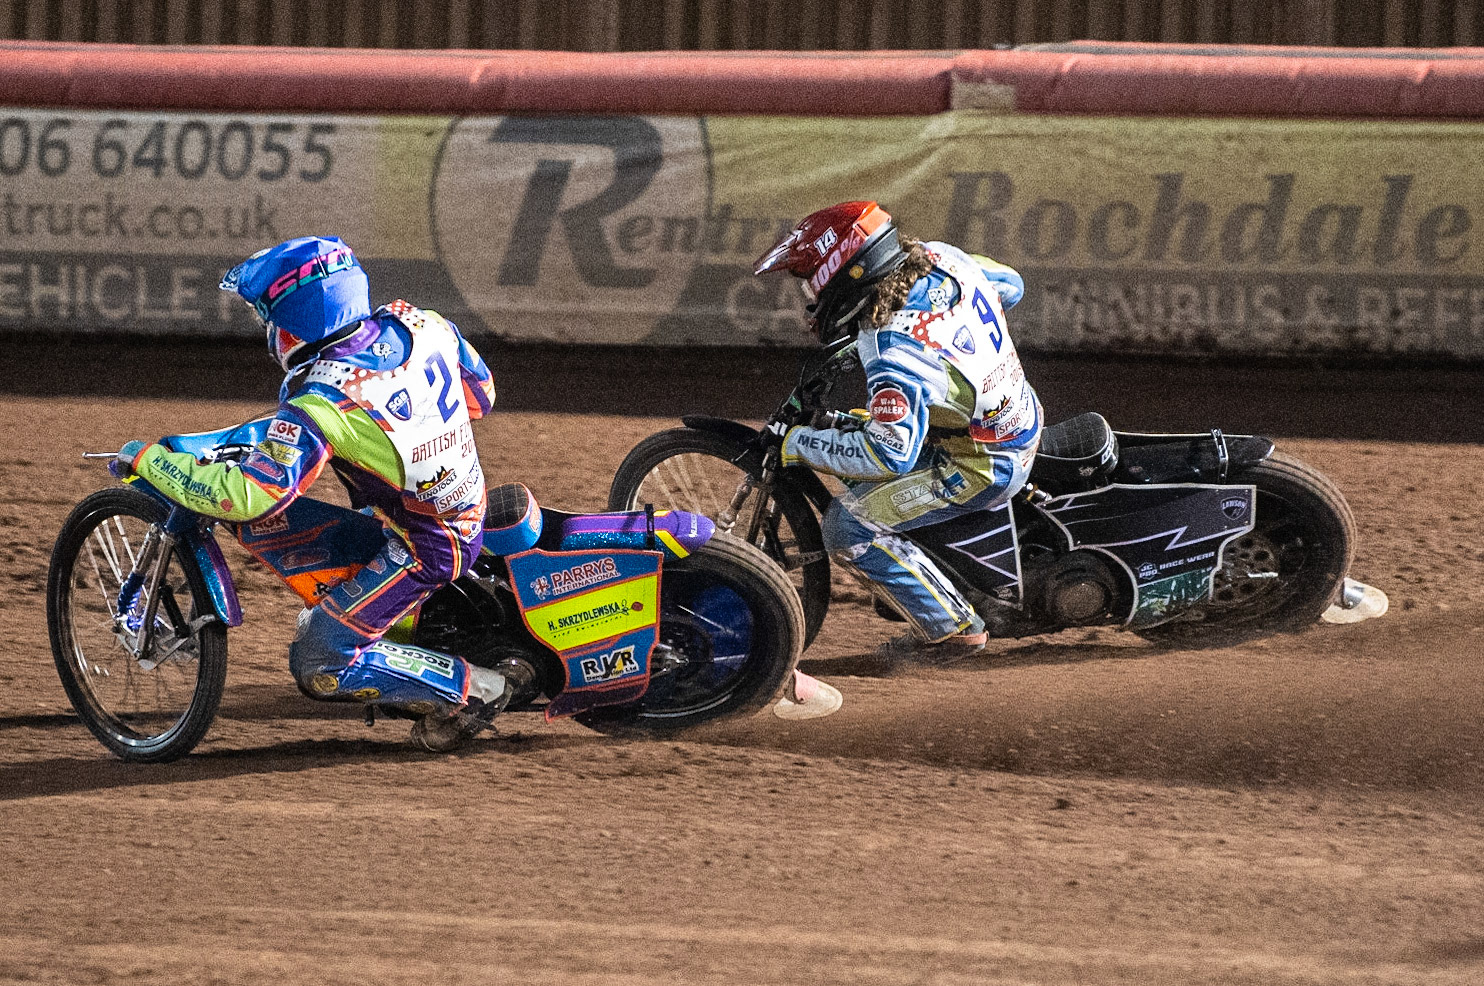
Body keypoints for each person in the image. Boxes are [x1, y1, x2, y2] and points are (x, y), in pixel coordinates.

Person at [112, 235, 509, 751]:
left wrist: (151, 460)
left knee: (318, 662)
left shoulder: (321, 402)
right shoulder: (421, 320)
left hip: (425, 544)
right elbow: (482, 396)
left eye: (268, 318)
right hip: (452, 504)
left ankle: (478, 689)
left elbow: (249, 497)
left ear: (293, 322)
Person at [754, 202, 1042, 662]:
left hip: (984, 463)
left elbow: (890, 457)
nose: (810, 297)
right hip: (1014, 411)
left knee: (846, 528)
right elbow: (1012, 286)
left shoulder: (895, 355)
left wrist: (798, 443)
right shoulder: (941, 257)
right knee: (858, 422)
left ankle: (953, 631)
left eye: (811, 284)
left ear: (844, 275)